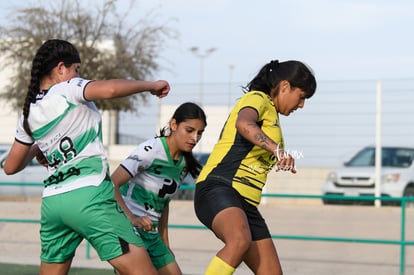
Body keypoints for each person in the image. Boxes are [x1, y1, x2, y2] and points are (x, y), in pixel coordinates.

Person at [3, 39, 170, 275]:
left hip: (53, 204)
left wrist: (37, 147)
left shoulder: (28, 113)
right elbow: (110, 89)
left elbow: (10, 166)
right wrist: (151, 85)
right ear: (60, 68)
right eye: (76, 70)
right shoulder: (68, 89)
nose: (78, 75)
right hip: (90, 196)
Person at [194, 60, 317, 275]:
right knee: (239, 240)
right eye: (302, 97)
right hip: (219, 188)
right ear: (285, 86)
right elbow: (244, 124)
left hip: (245, 204)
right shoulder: (257, 99)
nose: (302, 105)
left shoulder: (272, 114)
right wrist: (276, 150)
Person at [111, 102, 207, 275]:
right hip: (127, 230)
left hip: (151, 234)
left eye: (200, 133)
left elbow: (163, 203)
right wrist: (132, 218)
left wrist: (165, 243)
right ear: (174, 125)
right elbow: (112, 184)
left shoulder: (184, 163)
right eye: (189, 130)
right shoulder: (151, 150)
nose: (195, 138)